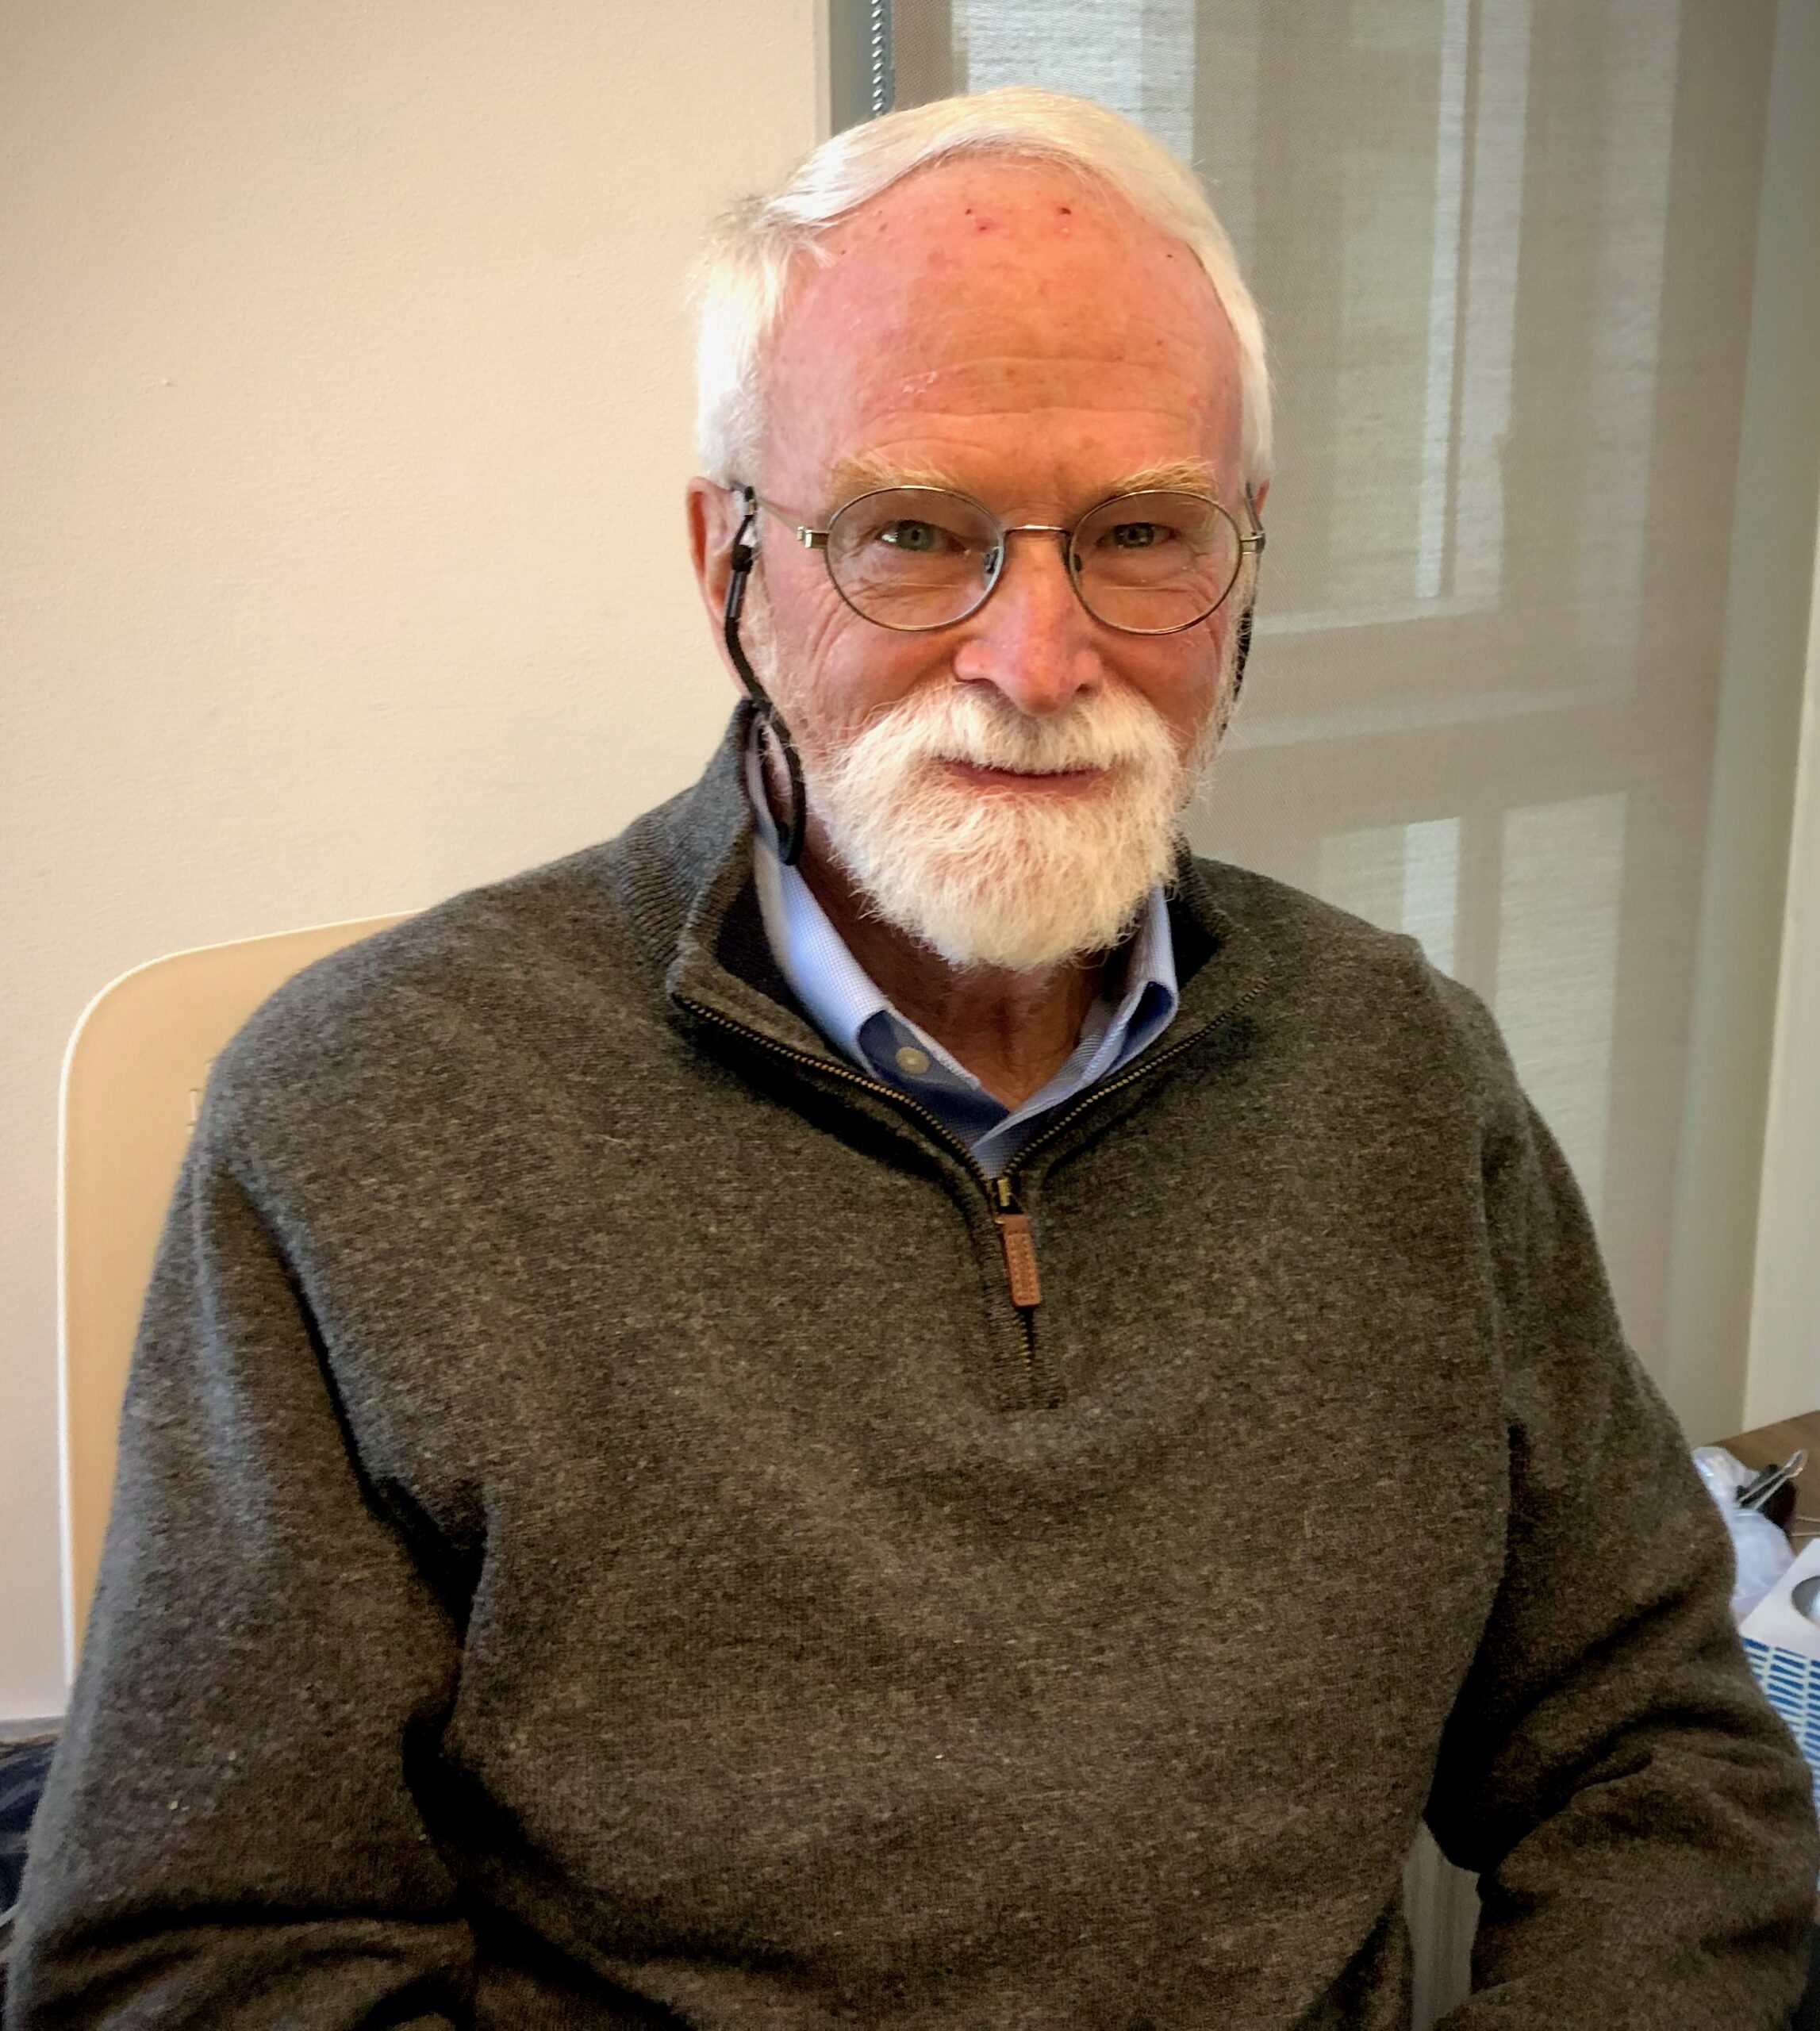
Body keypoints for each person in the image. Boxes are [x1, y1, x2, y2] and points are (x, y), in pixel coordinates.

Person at [10, 86, 1817, 2031]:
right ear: (731, 567)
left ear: (1248, 566)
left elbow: (1662, 1752)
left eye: (1141, 532)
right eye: (909, 532)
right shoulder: (361, 1117)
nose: (1035, 660)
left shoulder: (1401, 1078)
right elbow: (199, 1956)